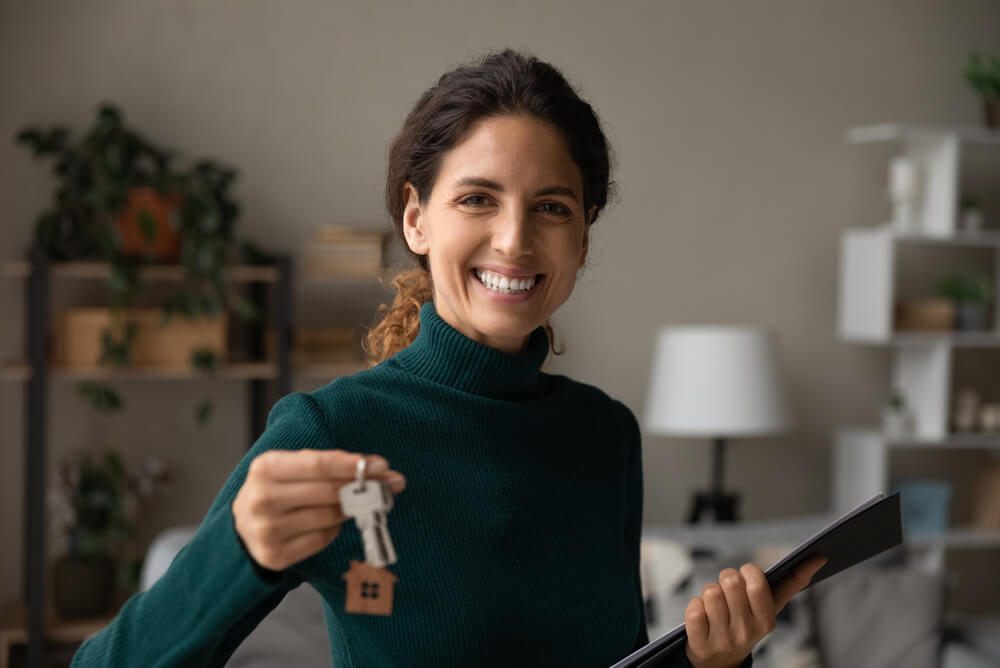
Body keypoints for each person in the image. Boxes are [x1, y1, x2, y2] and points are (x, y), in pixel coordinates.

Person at [72, 48, 824, 668]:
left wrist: (716, 665)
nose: (514, 239)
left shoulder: (605, 437)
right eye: (477, 199)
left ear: (583, 238)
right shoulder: (330, 429)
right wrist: (241, 552)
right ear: (416, 218)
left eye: (552, 207)